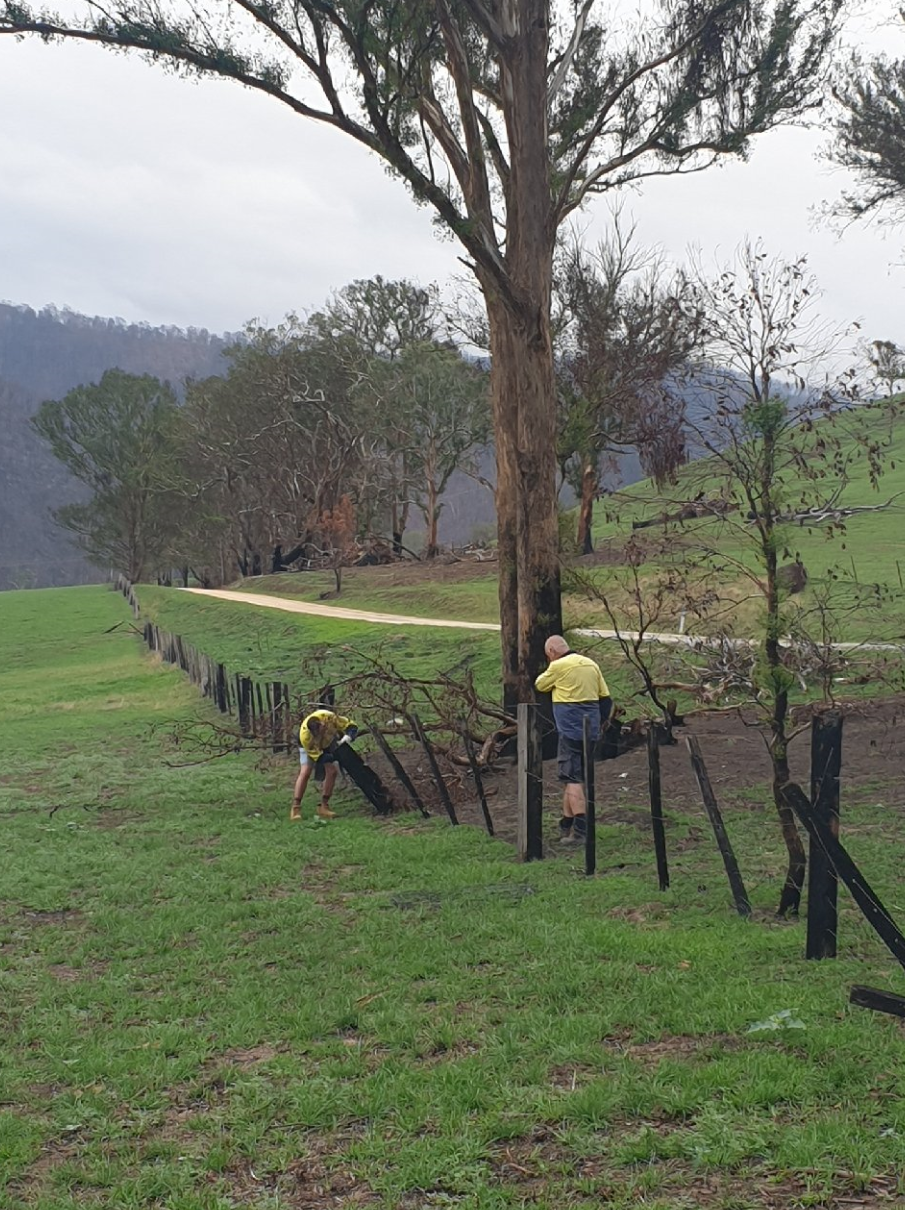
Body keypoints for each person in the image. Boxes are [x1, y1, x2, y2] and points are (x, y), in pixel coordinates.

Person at [534, 635, 612, 845]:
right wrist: (601, 722)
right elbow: (605, 699)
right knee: (573, 777)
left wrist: (553, 670)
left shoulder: (558, 665)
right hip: (591, 729)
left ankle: (580, 830)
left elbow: (540, 685)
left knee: (572, 778)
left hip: (569, 731)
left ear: (551, 651)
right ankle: (566, 823)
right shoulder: (590, 664)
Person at [290, 708, 359, 822]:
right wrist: (335, 756)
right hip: (311, 747)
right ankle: (296, 808)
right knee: (306, 771)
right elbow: (320, 757)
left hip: (327, 742)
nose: (318, 734)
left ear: (322, 724)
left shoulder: (330, 718)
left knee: (332, 772)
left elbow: (351, 726)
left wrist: (349, 736)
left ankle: (324, 806)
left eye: (320, 731)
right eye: (315, 734)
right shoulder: (305, 737)